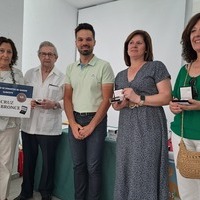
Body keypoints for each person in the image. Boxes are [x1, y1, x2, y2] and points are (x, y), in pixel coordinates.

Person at [112, 30, 172, 200]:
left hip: (149, 125)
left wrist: (139, 98)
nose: (134, 45)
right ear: (126, 47)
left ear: (146, 48)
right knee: (125, 169)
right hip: (126, 128)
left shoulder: (156, 66)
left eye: (139, 42)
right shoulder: (120, 75)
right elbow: (118, 104)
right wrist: (118, 104)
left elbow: (167, 96)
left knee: (145, 169)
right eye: (131, 42)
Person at [64, 23, 114, 200]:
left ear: (94, 42)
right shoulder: (70, 68)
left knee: (93, 167)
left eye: (88, 39)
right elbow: (67, 98)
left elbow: (107, 99)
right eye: (80, 39)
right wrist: (72, 123)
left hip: (96, 121)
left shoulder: (104, 66)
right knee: (78, 165)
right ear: (76, 42)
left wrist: (92, 126)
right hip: (75, 120)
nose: (84, 42)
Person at [14, 41, 65, 200]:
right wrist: (26, 102)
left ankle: (46, 192)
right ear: (38, 56)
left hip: (49, 128)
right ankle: (26, 192)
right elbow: (20, 95)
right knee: (29, 162)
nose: (46, 57)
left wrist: (55, 104)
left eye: (50, 54)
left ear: (56, 57)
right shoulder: (29, 74)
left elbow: (68, 101)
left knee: (48, 164)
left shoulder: (62, 78)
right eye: (43, 53)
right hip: (29, 126)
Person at [169, 13, 200, 200]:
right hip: (181, 134)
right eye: (193, 31)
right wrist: (174, 106)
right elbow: (174, 98)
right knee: (187, 191)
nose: (197, 34)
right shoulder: (185, 69)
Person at [0, 37, 24, 200]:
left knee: (5, 165)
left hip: (10, 126)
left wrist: (27, 105)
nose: (5, 55)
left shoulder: (17, 74)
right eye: (1, 51)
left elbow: (23, 98)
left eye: (9, 51)